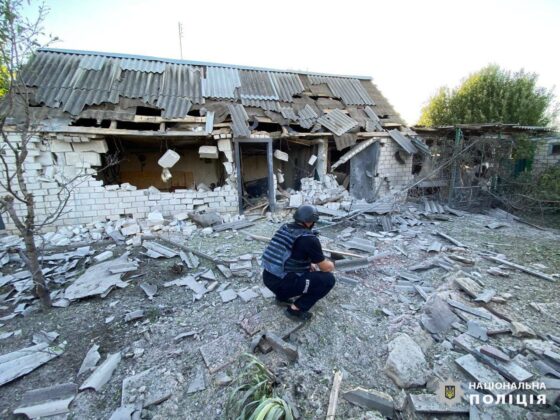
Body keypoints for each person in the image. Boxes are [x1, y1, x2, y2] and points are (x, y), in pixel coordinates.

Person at [261, 204, 336, 321]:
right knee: (328, 280)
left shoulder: (285, 228)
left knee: (307, 269)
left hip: (267, 278)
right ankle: (295, 310)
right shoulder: (310, 239)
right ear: (311, 221)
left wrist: (308, 264)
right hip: (282, 285)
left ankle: (281, 298)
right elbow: (326, 268)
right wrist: (331, 264)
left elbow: (289, 254)